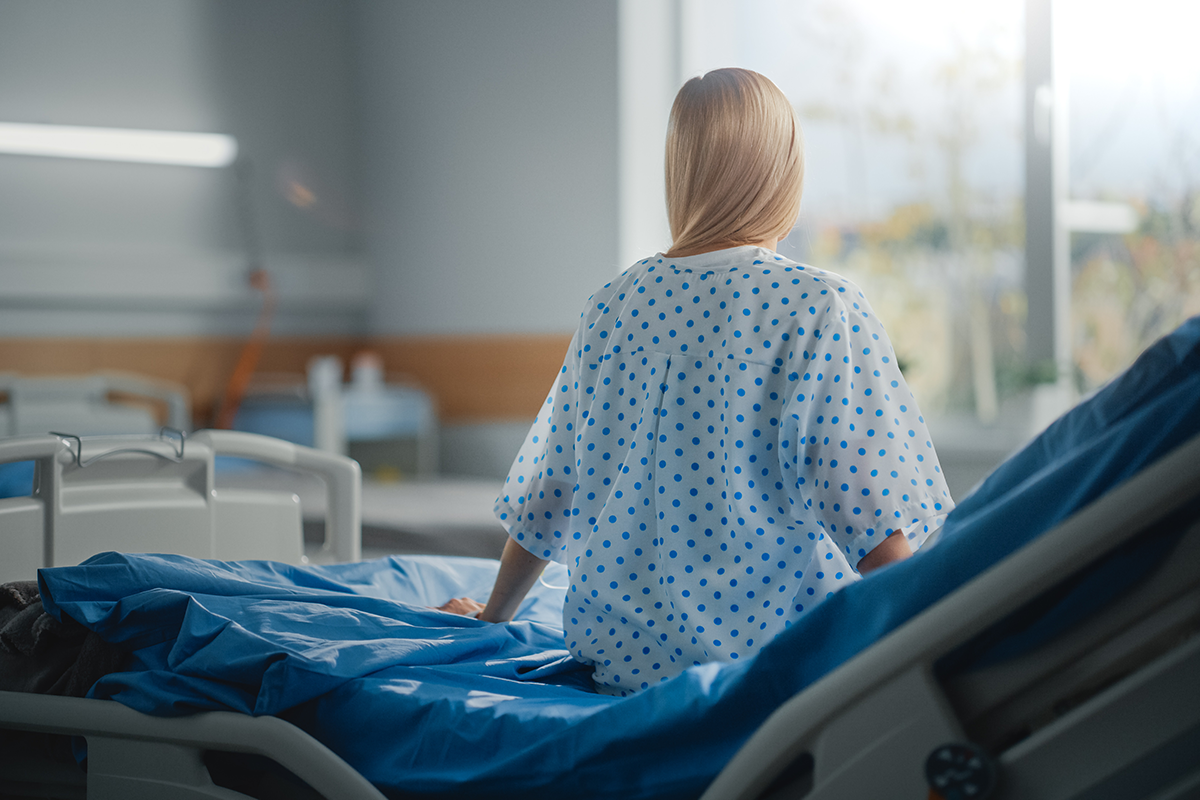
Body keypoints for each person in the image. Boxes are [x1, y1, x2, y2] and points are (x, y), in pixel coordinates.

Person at [440, 68, 952, 696]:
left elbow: (550, 488)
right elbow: (868, 515)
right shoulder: (816, 308)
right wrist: (946, 640)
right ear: (782, 172)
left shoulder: (612, 304)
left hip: (619, 675)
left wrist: (492, 617)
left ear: (679, 172)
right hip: (763, 681)